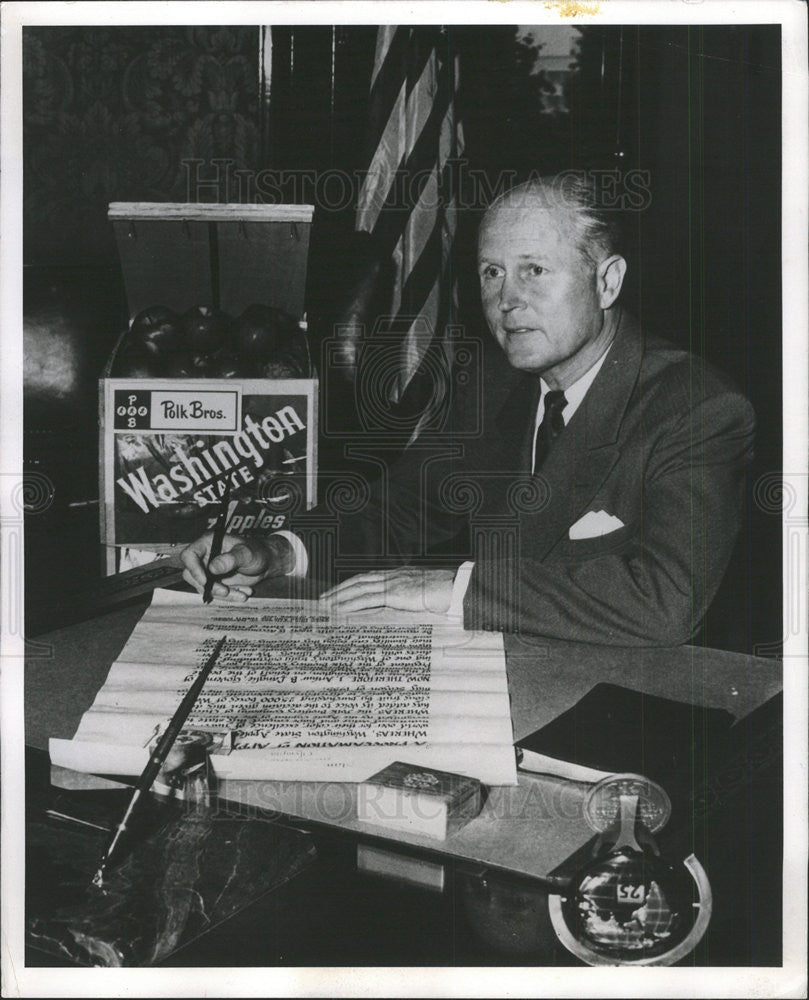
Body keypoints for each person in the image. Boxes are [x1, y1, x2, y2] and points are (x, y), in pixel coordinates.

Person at [181, 176, 755, 646]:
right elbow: (399, 509)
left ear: (607, 282)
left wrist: (451, 591)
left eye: (534, 269)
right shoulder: (495, 381)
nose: (507, 299)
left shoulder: (696, 408)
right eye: (492, 272)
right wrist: (274, 550)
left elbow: (667, 603)